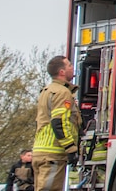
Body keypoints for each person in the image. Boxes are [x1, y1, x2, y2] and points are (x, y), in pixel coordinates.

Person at [32, 55, 82, 191]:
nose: (72, 68)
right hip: (53, 154)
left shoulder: (46, 91)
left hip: (40, 152)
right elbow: (59, 122)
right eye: (70, 65)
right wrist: (71, 148)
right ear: (62, 72)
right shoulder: (62, 92)